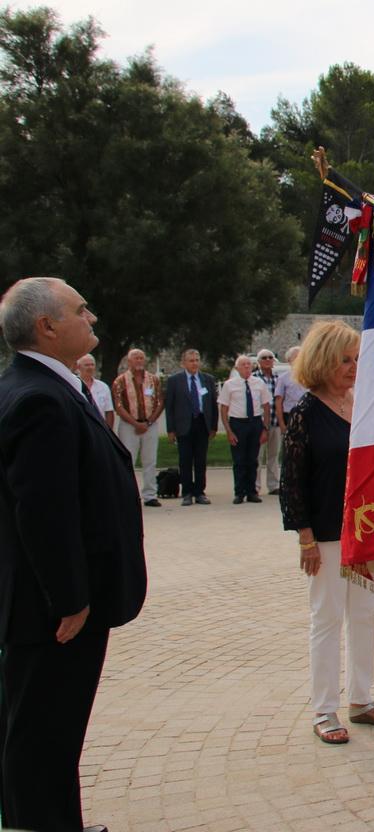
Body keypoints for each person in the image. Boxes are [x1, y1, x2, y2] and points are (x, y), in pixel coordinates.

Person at [0, 277, 147, 832]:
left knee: (50, 732)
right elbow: (43, 512)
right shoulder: (39, 397)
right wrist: (70, 599)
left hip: (56, 604)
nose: (92, 318)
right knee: (41, 734)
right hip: (54, 613)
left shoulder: (46, 386)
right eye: (80, 310)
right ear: (47, 326)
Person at [280, 321, 374, 743]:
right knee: (327, 618)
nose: (352, 368)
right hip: (327, 534)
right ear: (321, 362)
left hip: (366, 530)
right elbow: (293, 481)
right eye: (343, 361)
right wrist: (306, 538)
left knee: (365, 615)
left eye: (355, 359)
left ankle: (362, 699)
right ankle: (324, 709)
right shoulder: (305, 414)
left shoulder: (365, 405)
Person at [163, 348, 218, 506]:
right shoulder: (175, 380)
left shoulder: (207, 379)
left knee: (201, 460)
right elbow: (170, 406)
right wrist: (170, 429)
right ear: (184, 363)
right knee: (185, 460)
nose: (194, 363)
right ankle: (187, 492)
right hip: (184, 425)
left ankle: (200, 491)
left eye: (196, 360)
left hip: (202, 424)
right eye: (191, 360)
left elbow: (212, 404)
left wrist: (213, 426)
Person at [112, 347, 166, 508]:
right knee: (128, 460)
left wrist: (148, 423)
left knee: (150, 460)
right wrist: (136, 424)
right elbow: (119, 406)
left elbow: (160, 402)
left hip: (150, 425)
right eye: (135, 358)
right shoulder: (120, 381)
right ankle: (128, 495)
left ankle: (150, 495)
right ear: (129, 361)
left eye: (141, 358)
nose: (139, 361)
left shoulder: (153, 380)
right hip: (129, 426)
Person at [219, 355, 271, 505]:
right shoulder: (229, 385)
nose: (247, 367)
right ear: (237, 368)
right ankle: (239, 492)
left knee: (252, 459)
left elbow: (266, 406)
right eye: (243, 365)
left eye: (249, 364)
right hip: (238, 423)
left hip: (255, 422)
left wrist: (265, 428)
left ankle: (252, 491)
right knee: (239, 460)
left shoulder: (259, 383)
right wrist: (229, 431)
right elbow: (223, 408)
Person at [252, 348, 283, 496]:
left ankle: (273, 485)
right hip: (259, 423)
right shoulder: (253, 378)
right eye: (264, 358)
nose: (267, 360)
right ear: (259, 362)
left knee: (273, 455)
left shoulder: (278, 379)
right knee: (257, 455)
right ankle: (255, 486)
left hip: (276, 422)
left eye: (270, 357)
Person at [75, 353, 114, 429]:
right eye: (86, 365)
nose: (90, 367)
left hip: (100, 427)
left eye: (92, 365)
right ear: (78, 367)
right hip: (80, 427)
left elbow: (109, 411)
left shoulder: (103, 386)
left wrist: (109, 431)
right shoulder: (73, 384)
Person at [274, 345, 307, 431]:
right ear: (289, 361)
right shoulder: (283, 378)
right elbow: (278, 401)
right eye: (296, 357)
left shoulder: (311, 377)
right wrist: (281, 424)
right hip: (290, 415)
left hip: (308, 415)